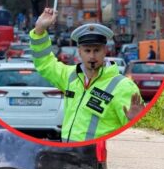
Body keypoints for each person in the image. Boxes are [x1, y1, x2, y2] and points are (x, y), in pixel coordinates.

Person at [29, 8, 144, 142]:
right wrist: (39, 30)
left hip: (96, 159)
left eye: (97, 50)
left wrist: (137, 122)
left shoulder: (123, 86)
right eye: (87, 50)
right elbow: (44, 63)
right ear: (80, 52)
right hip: (68, 154)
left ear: (105, 51)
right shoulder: (69, 76)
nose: (92, 56)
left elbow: (136, 139)